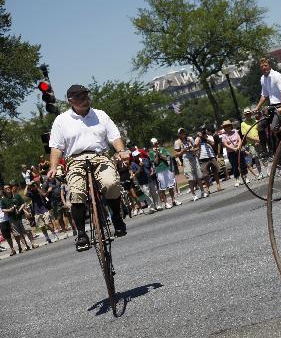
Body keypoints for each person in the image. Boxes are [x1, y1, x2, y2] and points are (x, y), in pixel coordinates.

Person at [47, 84, 129, 251]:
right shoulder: (61, 120)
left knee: (111, 183)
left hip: (100, 156)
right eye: (79, 96)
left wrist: (121, 151)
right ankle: (82, 233)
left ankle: (116, 218)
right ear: (70, 100)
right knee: (76, 192)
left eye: (85, 95)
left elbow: (115, 137)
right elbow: (56, 147)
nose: (84, 98)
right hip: (74, 160)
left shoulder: (100, 115)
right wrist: (53, 167)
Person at [254, 58, 281, 133]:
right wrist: (257, 108)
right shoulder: (262, 78)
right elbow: (264, 95)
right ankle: (270, 144)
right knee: (259, 126)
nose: (264, 67)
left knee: (274, 128)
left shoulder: (277, 76)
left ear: (270, 66)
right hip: (273, 106)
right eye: (262, 66)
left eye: (265, 65)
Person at [0, 184, 38, 251]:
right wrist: (9, 210)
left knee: (28, 230)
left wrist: (19, 210)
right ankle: (25, 245)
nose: (8, 189)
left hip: (21, 216)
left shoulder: (16, 195)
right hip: (12, 219)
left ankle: (33, 243)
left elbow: (23, 203)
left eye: (9, 187)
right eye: (6, 188)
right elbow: (3, 209)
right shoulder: (3, 200)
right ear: (4, 190)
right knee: (19, 234)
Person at [173, 127, 204, 201]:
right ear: (179, 134)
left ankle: (203, 191)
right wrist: (183, 151)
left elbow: (196, 147)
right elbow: (176, 154)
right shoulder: (177, 142)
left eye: (183, 132)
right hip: (186, 159)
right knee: (190, 178)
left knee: (199, 175)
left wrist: (194, 148)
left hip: (193, 157)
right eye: (181, 133)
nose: (182, 134)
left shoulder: (190, 139)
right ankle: (194, 195)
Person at [149, 138, 181, 209]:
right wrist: (157, 154)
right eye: (154, 144)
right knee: (162, 188)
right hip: (159, 171)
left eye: (156, 143)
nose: (155, 145)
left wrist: (159, 153)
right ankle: (166, 203)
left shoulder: (163, 149)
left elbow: (166, 158)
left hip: (166, 169)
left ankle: (173, 200)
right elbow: (156, 162)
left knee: (170, 186)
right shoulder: (151, 152)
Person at [219, 120, 247, 187]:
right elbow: (225, 144)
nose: (227, 127)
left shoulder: (235, 131)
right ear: (224, 127)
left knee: (242, 164)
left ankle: (245, 177)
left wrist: (238, 146)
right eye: (225, 126)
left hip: (238, 150)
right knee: (234, 166)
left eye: (228, 126)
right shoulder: (224, 135)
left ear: (230, 126)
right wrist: (233, 148)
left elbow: (239, 139)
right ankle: (237, 179)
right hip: (231, 152)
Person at [195, 127, 222, 194]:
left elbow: (213, 144)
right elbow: (195, 145)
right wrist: (199, 137)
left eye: (204, 130)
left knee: (215, 171)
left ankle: (218, 185)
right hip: (203, 158)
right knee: (205, 175)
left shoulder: (209, 137)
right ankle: (207, 188)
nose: (203, 131)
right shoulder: (198, 138)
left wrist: (205, 138)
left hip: (211, 156)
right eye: (202, 130)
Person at [240, 108, 265, 180]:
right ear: (244, 115)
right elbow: (245, 135)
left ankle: (268, 171)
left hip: (259, 141)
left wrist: (258, 140)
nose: (248, 115)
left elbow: (260, 130)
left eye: (249, 113)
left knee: (263, 157)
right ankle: (260, 173)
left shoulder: (256, 121)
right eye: (246, 114)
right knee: (256, 158)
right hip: (251, 143)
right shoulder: (243, 124)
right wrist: (255, 140)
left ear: (251, 114)